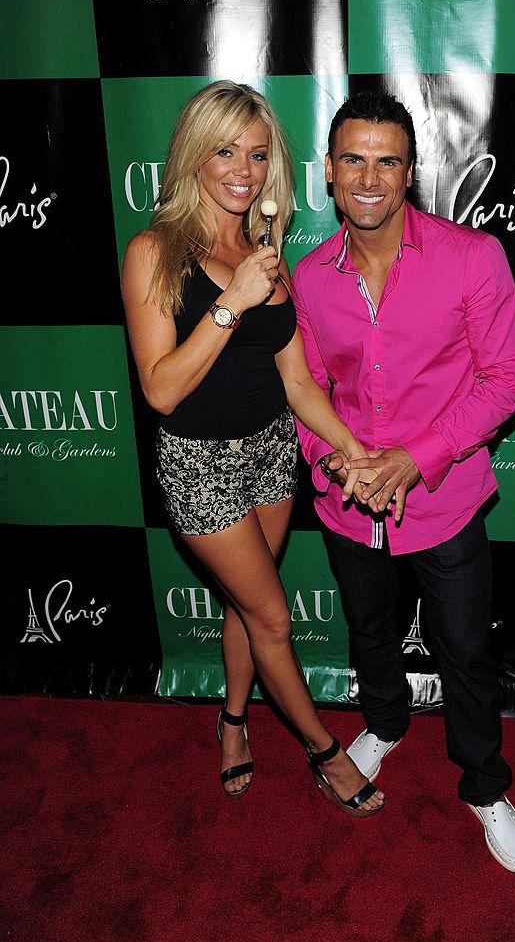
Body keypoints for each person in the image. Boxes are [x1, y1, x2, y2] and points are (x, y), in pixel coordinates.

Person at [120, 80, 385, 817]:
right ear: (193, 157)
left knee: (248, 602)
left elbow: (299, 386)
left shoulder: (266, 253)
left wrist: (356, 448)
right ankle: (326, 754)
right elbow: (162, 390)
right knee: (273, 617)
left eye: (257, 153)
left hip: (271, 451)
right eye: (225, 150)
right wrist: (232, 298)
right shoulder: (154, 251)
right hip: (198, 464)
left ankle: (233, 723)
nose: (242, 167)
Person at [291, 91, 515, 870]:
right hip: (346, 501)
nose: (369, 178)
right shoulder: (308, 277)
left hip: (445, 498)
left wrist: (417, 456)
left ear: (410, 172)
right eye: (352, 160)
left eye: (386, 161)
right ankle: (386, 723)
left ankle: (486, 785)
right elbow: (305, 391)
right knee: (370, 633)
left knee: (465, 651)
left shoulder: (471, 258)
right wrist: (335, 461)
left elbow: (507, 379)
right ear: (328, 174)